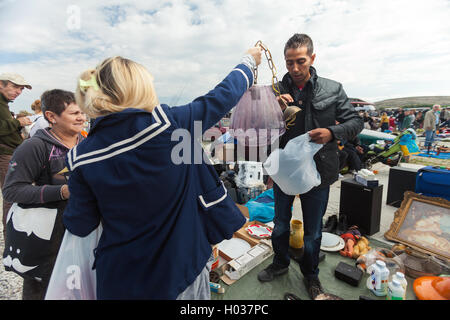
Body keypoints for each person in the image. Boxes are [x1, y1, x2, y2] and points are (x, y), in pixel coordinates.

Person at [63, 47, 262, 299]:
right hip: (180, 270)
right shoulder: (167, 123)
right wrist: (248, 62)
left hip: (119, 278)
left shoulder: (81, 156)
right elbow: (221, 97)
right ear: (137, 89)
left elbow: (80, 224)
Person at [256, 33, 363, 300]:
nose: (294, 69)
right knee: (280, 224)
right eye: (289, 63)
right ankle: (280, 263)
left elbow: (355, 123)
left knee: (313, 231)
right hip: (284, 172)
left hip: (319, 172)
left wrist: (331, 132)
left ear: (312, 58)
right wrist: (271, 109)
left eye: (300, 62)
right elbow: (260, 128)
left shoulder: (332, 88)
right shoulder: (275, 91)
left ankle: (311, 274)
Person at [2, 89, 85, 299]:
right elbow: (12, 189)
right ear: (51, 116)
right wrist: (61, 192)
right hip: (44, 239)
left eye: (83, 112)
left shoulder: (85, 145)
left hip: (79, 233)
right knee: (41, 289)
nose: (82, 117)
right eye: (75, 113)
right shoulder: (34, 147)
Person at [0, 73, 32, 239]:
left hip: (9, 153)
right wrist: (18, 123)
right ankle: (10, 236)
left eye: (21, 89)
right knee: (11, 194)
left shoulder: (4, 104)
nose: (18, 91)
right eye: (15, 86)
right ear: (1, 84)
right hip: (5, 154)